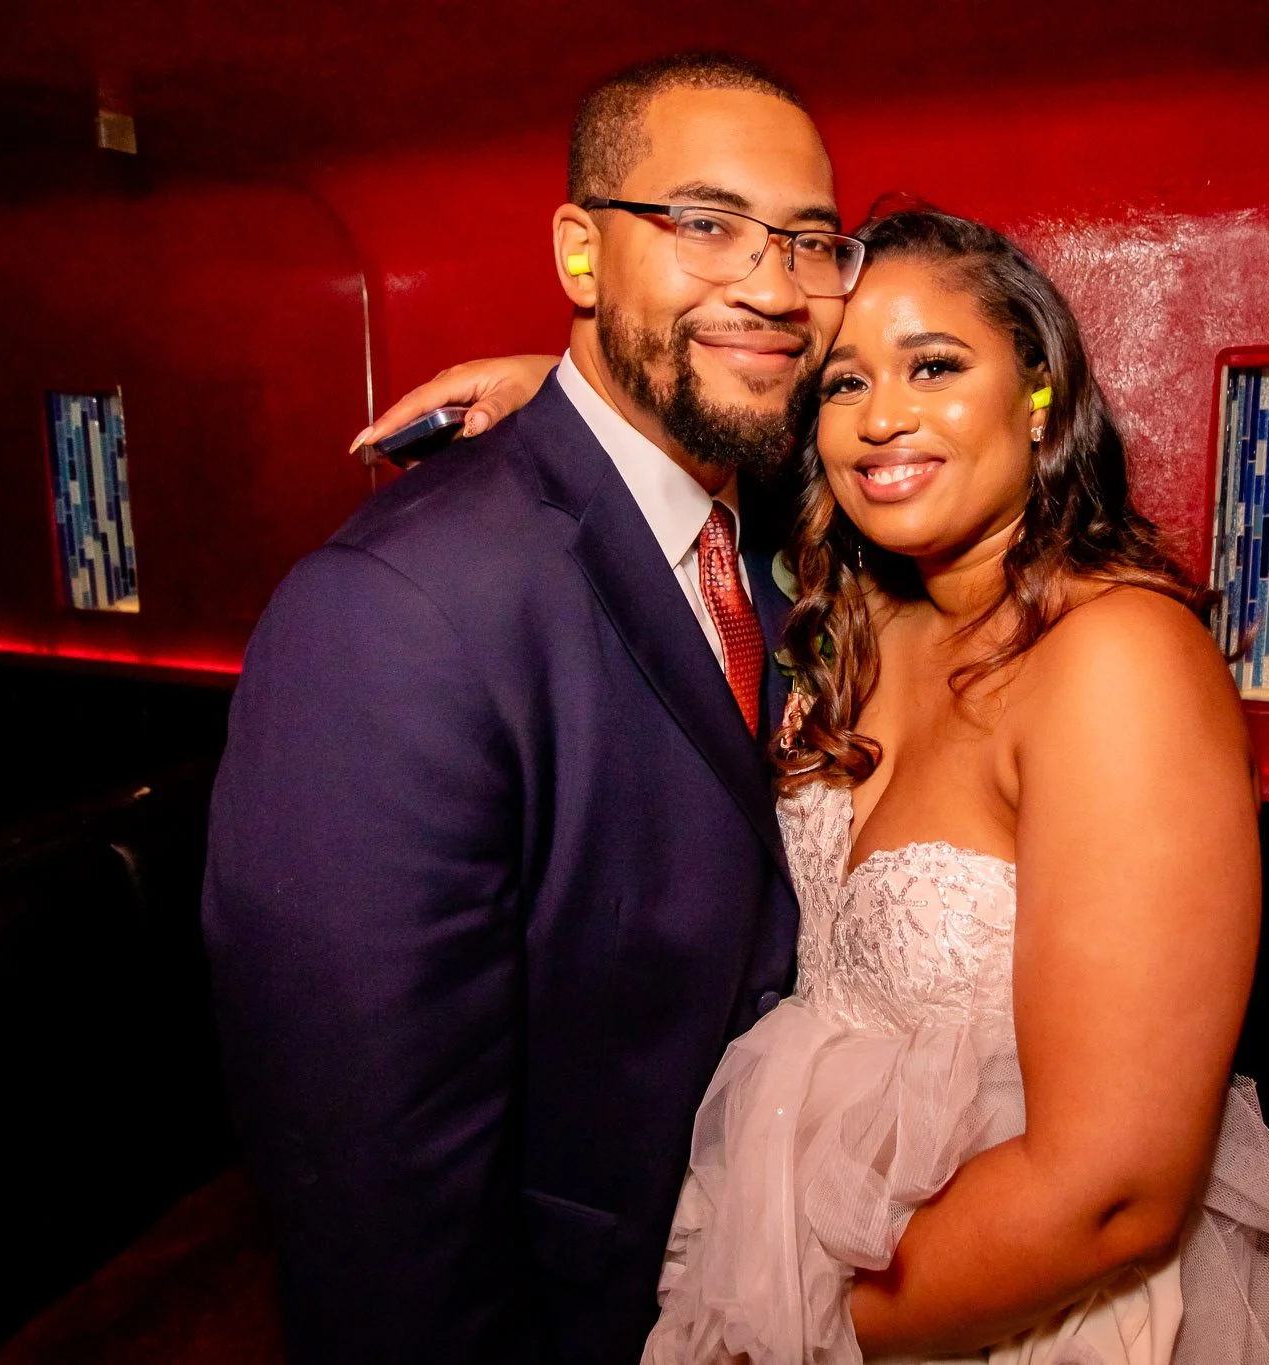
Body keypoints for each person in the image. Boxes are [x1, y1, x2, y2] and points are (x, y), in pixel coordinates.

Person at [374, 208, 1269, 1363]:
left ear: (1040, 390)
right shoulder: (855, 616)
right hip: (787, 1213)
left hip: (1004, 1292)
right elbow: (681, 487)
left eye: (934, 366)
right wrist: (566, 400)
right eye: (842, 383)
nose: (880, 418)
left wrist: (793, 1332)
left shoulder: (1116, 661)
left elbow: (1113, 1196)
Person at [202, 54, 854, 1362]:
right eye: (705, 223)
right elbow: (370, 1178)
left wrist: (594, 375)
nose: (775, 285)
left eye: (808, 242)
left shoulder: (795, 528)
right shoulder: (390, 609)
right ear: (579, 252)